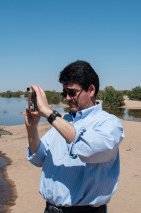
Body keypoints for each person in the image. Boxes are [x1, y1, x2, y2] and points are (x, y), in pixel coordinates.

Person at [25, 60, 124, 213]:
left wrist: (49, 114)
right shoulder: (63, 121)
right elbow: (39, 157)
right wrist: (32, 129)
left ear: (91, 90)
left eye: (72, 92)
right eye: (64, 93)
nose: (67, 98)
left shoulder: (109, 123)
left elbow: (89, 149)